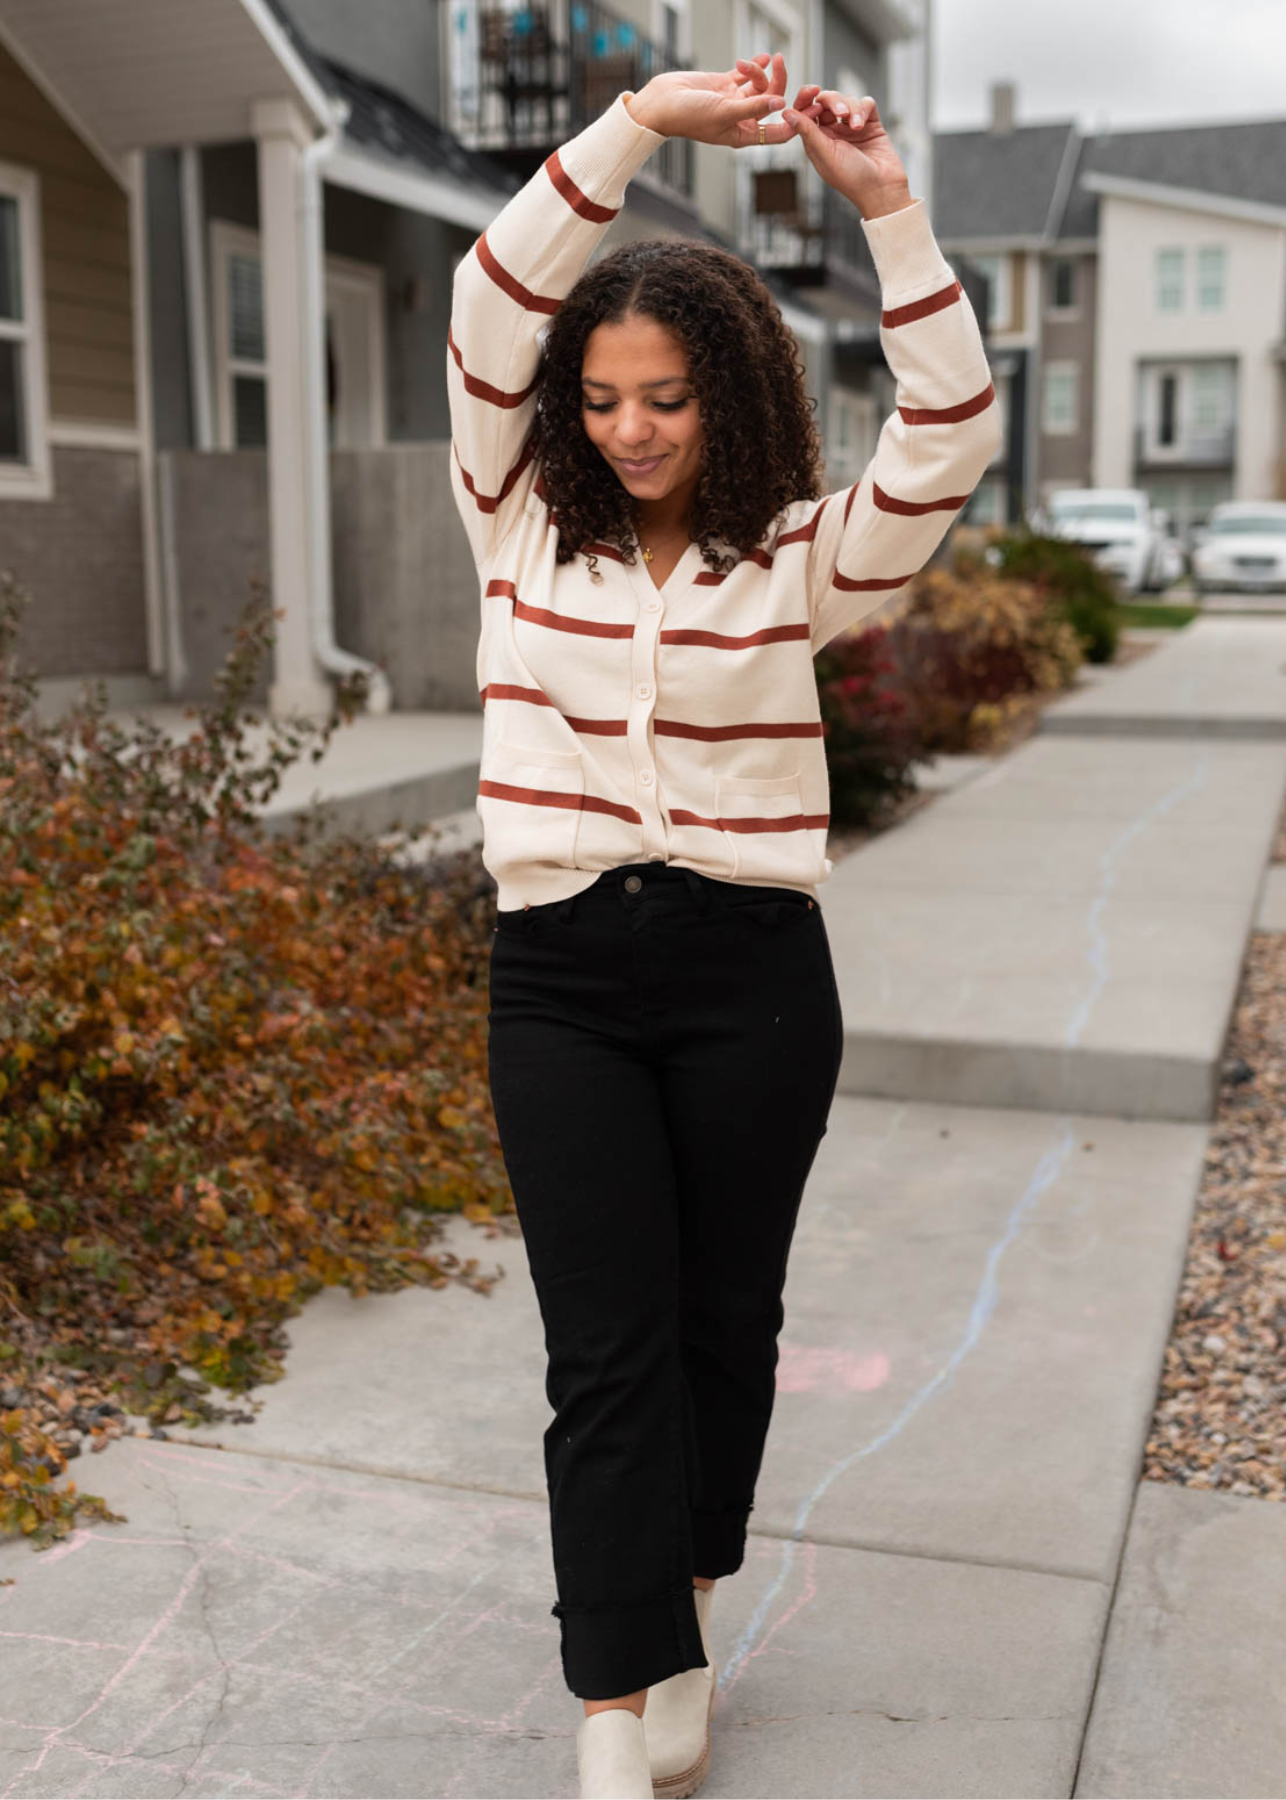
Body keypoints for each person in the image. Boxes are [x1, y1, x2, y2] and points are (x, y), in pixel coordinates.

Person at [447, 50, 1000, 1800]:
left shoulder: (798, 554)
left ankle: (682, 1585)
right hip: (559, 978)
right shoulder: (514, 512)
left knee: (719, 1317)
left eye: (667, 397)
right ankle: (617, 1692)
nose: (628, 427)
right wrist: (639, 127)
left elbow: (948, 431)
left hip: (750, 978)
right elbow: (490, 292)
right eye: (603, 395)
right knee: (601, 1336)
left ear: (727, 396)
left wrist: (886, 209)